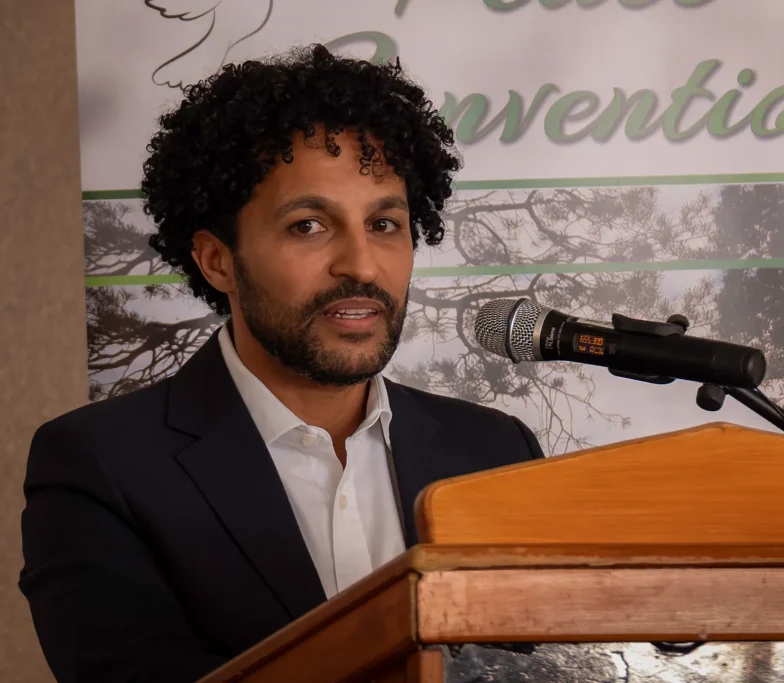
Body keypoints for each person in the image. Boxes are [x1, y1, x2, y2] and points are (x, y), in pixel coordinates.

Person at [19, 45, 544, 683]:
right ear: (218, 262)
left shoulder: (494, 451)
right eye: (308, 226)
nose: (361, 265)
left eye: (384, 223)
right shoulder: (99, 467)